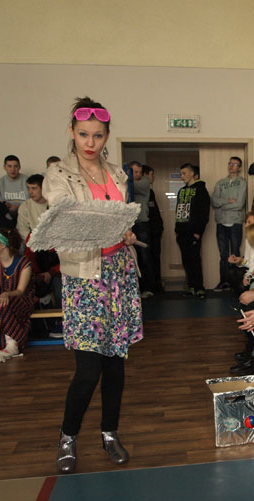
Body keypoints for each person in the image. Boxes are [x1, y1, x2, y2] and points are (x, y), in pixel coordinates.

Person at [43, 97, 143, 474]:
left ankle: (109, 432)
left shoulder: (118, 174)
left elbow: (118, 219)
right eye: (83, 134)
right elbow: (68, 224)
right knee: (88, 370)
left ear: (107, 136)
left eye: (98, 135)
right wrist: (106, 228)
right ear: (72, 132)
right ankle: (68, 436)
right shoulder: (58, 174)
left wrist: (125, 231)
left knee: (116, 365)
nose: (90, 142)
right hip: (85, 277)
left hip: (119, 272)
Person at [0, 228, 35, 362]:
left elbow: (20, 291)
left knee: (5, 302)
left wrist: (6, 294)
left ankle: (12, 344)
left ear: (3, 244)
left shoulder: (23, 263)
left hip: (20, 299)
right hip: (1, 297)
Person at [174, 163, 210, 298]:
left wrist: (198, 232)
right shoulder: (181, 191)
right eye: (181, 174)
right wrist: (177, 229)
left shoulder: (201, 190)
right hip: (181, 231)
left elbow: (204, 213)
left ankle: (199, 287)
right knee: (186, 260)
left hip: (193, 232)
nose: (182, 176)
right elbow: (178, 210)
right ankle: (191, 287)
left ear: (192, 173)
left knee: (194, 260)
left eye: (184, 173)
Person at [211, 156, 247, 291]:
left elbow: (239, 204)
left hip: (235, 222)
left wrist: (222, 204)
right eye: (230, 163)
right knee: (223, 255)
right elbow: (214, 202)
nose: (232, 166)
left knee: (235, 254)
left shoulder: (242, 183)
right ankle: (224, 282)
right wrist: (228, 201)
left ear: (239, 168)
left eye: (235, 164)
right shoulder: (220, 183)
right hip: (221, 222)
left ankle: (235, 283)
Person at [128, 161, 154, 298]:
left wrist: (127, 177)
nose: (137, 174)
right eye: (134, 172)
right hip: (130, 225)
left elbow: (128, 185)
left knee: (144, 257)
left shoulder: (144, 182)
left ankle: (147, 288)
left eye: (139, 172)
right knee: (133, 257)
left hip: (142, 223)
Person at [142, 165, 164, 293]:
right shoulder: (144, 192)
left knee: (155, 257)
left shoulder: (150, 192)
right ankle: (150, 286)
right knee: (148, 258)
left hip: (155, 229)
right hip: (148, 229)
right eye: (151, 174)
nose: (153, 177)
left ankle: (157, 283)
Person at [16, 174, 48, 239]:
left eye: (34, 188)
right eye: (28, 188)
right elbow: (22, 230)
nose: (30, 192)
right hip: (32, 241)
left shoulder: (52, 203)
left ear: (43, 188)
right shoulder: (25, 206)